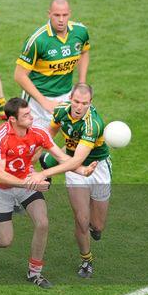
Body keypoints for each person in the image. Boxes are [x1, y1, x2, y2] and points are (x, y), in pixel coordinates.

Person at [0, 97, 97, 289]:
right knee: (5, 240)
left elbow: (61, 158)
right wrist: (30, 183)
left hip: (27, 183)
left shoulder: (38, 133)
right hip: (1, 189)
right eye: (26, 115)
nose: (32, 117)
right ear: (12, 119)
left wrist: (83, 170)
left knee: (42, 223)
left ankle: (34, 273)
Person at [39, 83, 111, 278]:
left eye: (84, 103)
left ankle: (94, 228)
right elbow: (48, 135)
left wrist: (46, 173)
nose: (79, 107)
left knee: (97, 226)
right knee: (81, 219)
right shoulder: (61, 111)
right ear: (70, 98)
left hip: (97, 169)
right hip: (73, 167)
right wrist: (33, 158)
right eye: (76, 101)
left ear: (91, 103)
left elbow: (79, 161)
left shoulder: (92, 124)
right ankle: (86, 260)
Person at [14, 0, 90, 128]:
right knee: (34, 144)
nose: (61, 20)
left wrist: (81, 83)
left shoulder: (80, 32)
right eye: (57, 15)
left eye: (65, 15)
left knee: (76, 136)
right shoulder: (38, 41)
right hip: (38, 100)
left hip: (67, 95)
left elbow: (84, 52)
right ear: (49, 14)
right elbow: (19, 76)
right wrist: (44, 102)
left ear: (70, 14)